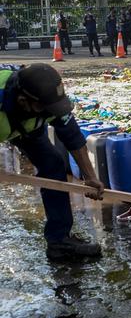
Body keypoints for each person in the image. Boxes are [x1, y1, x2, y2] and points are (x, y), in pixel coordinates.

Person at [0, 64, 104, 259]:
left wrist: (90, 177)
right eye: (46, 108)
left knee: (53, 166)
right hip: (6, 121)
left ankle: (59, 241)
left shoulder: (46, 102)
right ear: (23, 101)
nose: (51, 111)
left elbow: (72, 135)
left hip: (28, 129)